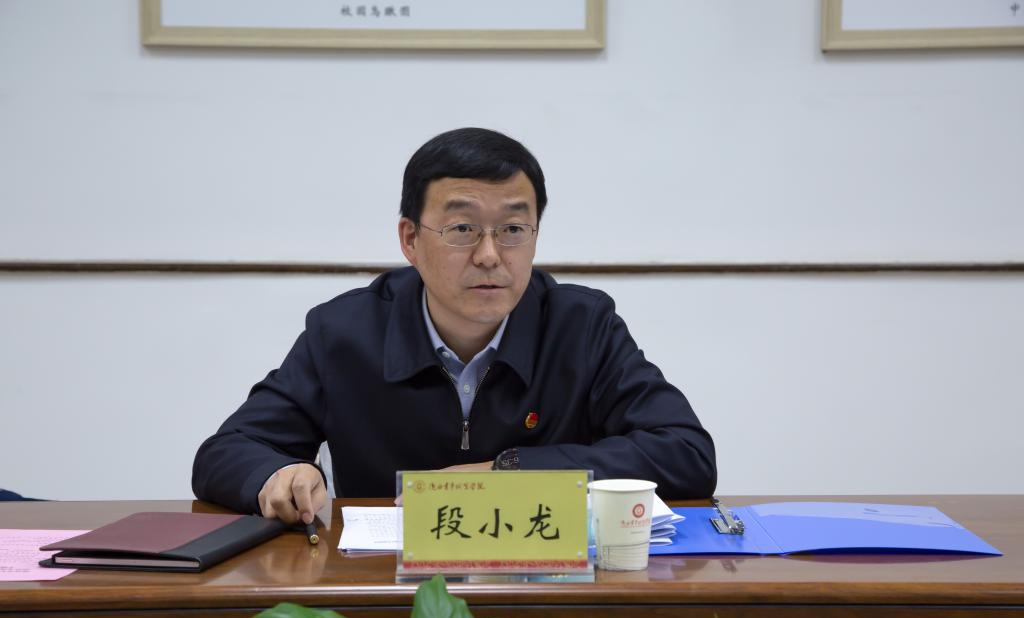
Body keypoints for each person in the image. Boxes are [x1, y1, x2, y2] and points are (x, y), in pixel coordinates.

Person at [192, 127, 716, 527]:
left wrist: (508, 472)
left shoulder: (581, 326)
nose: (490, 255)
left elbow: (686, 453)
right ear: (410, 239)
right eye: (462, 228)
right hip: (382, 591)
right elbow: (226, 451)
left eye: (513, 229)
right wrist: (277, 475)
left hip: (544, 584)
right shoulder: (345, 332)